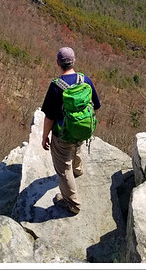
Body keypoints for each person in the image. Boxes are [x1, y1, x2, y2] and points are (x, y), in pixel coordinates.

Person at [40, 46, 100, 215]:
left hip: (62, 135)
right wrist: (83, 121)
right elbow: (97, 105)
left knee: (63, 170)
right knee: (77, 146)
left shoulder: (56, 86)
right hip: (82, 130)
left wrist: (45, 136)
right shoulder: (85, 80)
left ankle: (73, 204)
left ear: (58, 63)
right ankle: (78, 170)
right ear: (74, 61)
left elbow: (49, 117)